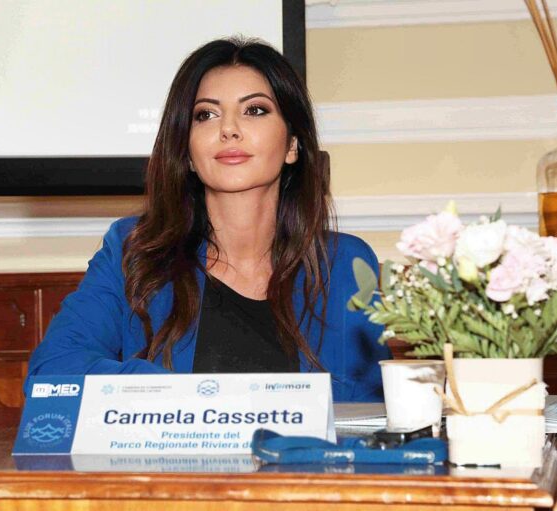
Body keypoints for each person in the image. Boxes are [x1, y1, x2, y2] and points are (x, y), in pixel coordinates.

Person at [27, 37, 391, 402]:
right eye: (206, 115)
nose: (228, 129)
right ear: (186, 151)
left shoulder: (343, 262)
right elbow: (53, 373)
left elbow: (370, 408)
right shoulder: (135, 250)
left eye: (255, 110)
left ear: (292, 144)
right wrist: (187, 398)